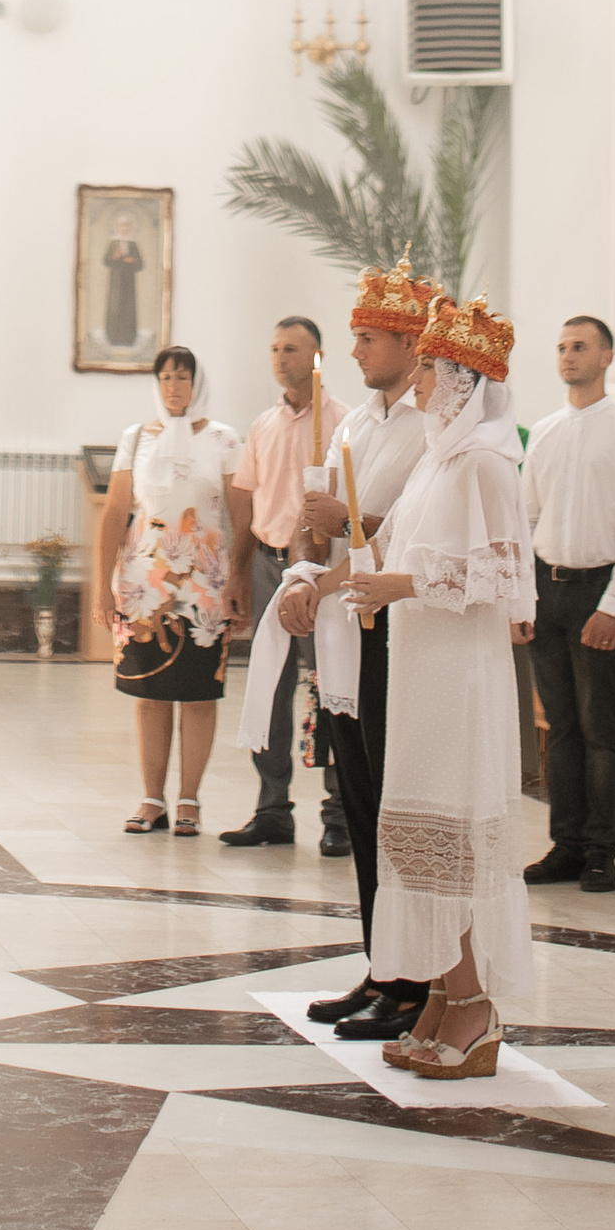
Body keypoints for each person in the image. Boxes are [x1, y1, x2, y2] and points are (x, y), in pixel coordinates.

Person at [314, 290, 534, 1079]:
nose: (419, 384)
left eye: (434, 370)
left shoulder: (485, 460)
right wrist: (329, 576)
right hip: (418, 671)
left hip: (460, 679)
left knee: (454, 840)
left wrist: (398, 588)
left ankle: (474, 1009)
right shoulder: (438, 461)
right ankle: (444, 990)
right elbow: (388, 547)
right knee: (421, 839)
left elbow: (505, 571)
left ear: (466, 380)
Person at [258, 253, 434, 1039]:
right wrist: (300, 573)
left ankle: (418, 981)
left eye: (368, 337)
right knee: (360, 797)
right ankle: (380, 965)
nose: (356, 351)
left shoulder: (434, 429)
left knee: (398, 804)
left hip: (400, 631)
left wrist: (341, 527)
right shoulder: (357, 423)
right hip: (341, 626)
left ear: (407, 343)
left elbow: (412, 538)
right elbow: (314, 517)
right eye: (355, 336)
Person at [517, 313, 615, 898]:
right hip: (546, 588)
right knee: (562, 726)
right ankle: (566, 843)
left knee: (601, 726)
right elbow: (526, 518)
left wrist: (614, 604)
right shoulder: (546, 430)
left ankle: (603, 849)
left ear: (606, 357)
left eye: (580, 347)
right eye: (561, 347)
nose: (568, 356)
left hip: (599, 591)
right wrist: (521, 595)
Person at [98, 343, 251, 837]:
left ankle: (189, 801)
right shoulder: (136, 438)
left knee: (199, 694)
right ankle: (150, 800)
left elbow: (242, 513)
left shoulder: (225, 439)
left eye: (182, 377)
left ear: (197, 383)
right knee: (151, 692)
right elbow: (116, 510)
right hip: (145, 583)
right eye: (165, 377)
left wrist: (242, 577)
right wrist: (104, 586)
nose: (173, 386)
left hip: (205, 582)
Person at [224, 315, 343, 852]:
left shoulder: (344, 421)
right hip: (269, 561)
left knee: (329, 685)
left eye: (291, 349)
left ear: (317, 356)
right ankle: (272, 807)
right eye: (274, 349)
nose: (280, 358)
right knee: (270, 687)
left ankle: (339, 811)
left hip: (321, 572)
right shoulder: (262, 426)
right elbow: (246, 501)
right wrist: (237, 574)